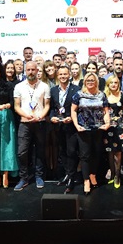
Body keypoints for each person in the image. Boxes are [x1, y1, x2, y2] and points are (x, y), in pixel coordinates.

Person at [13, 61, 51, 191]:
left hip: (40, 123)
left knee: (40, 151)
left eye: (33, 69)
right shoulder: (19, 86)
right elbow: (16, 106)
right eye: (28, 70)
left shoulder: (44, 86)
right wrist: (26, 115)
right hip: (24, 123)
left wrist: (40, 116)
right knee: (22, 152)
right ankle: (23, 178)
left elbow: (47, 105)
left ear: (37, 71)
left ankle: (39, 176)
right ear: (25, 71)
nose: (30, 72)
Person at [71, 72, 110, 195]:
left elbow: (106, 111)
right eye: (88, 80)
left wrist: (108, 123)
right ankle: (86, 180)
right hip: (83, 129)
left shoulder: (102, 95)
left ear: (96, 82)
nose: (90, 82)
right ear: (84, 82)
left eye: (92, 80)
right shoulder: (78, 94)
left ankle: (93, 174)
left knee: (97, 153)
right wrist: (76, 125)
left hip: (98, 129)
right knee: (85, 155)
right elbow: (73, 110)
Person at [50, 65, 78, 193]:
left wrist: (72, 118)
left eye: (65, 74)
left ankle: (72, 178)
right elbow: (52, 108)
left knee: (71, 151)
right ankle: (67, 174)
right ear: (57, 75)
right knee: (62, 151)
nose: (63, 76)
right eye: (60, 74)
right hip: (58, 125)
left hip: (71, 125)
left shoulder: (76, 89)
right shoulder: (53, 90)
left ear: (69, 75)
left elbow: (79, 108)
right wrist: (52, 117)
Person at [104, 75, 123, 188]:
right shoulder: (104, 96)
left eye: (116, 83)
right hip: (108, 127)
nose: (113, 85)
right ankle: (112, 174)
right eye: (111, 83)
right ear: (108, 84)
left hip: (120, 128)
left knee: (118, 152)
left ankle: (117, 176)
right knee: (109, 151)